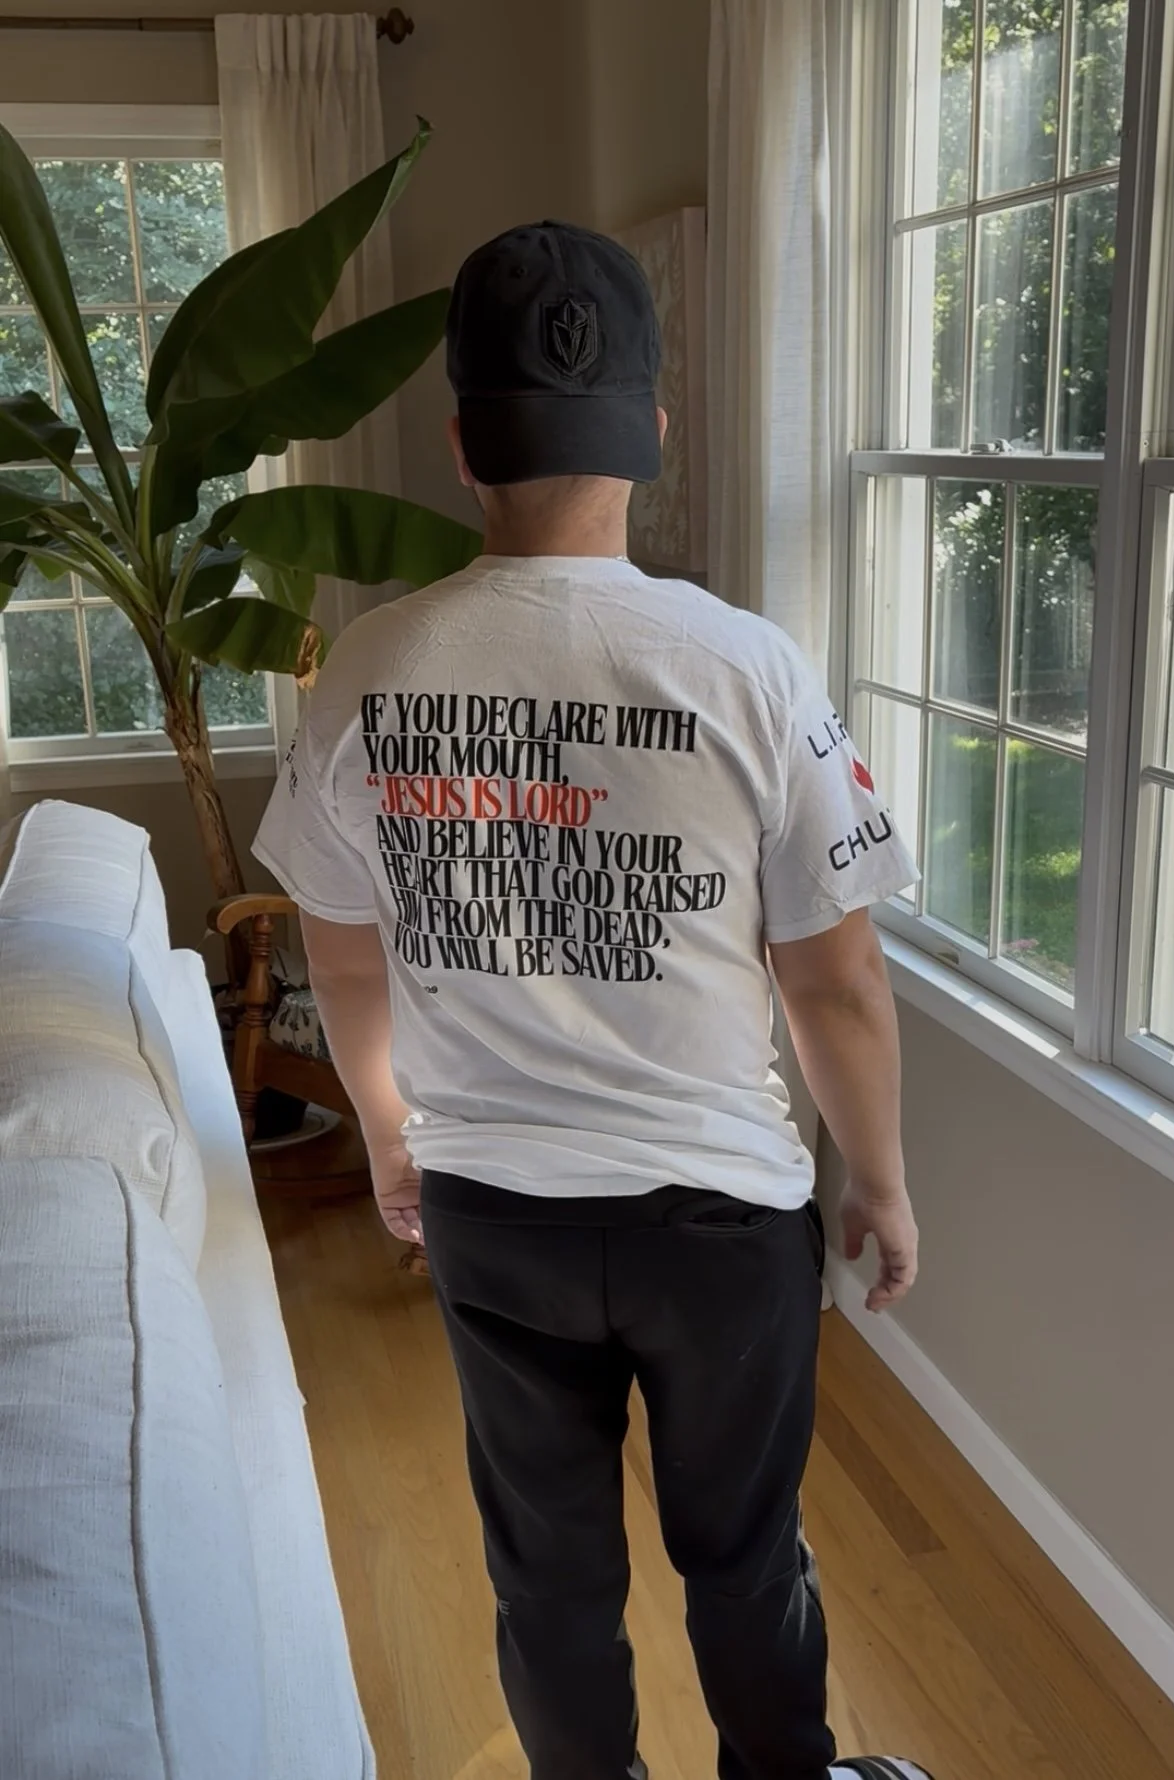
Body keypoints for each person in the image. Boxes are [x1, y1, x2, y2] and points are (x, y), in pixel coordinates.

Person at [253, 221, 931, 1780]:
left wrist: (388, 1136)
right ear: (652, 434)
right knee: (744, 1556)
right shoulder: (748, 667)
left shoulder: (366, 671)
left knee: (547, 1574)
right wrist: (881, 1185)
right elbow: (833, 981)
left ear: (459, 445)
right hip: (718, 1225)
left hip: (495, 1212)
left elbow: (342, 958)